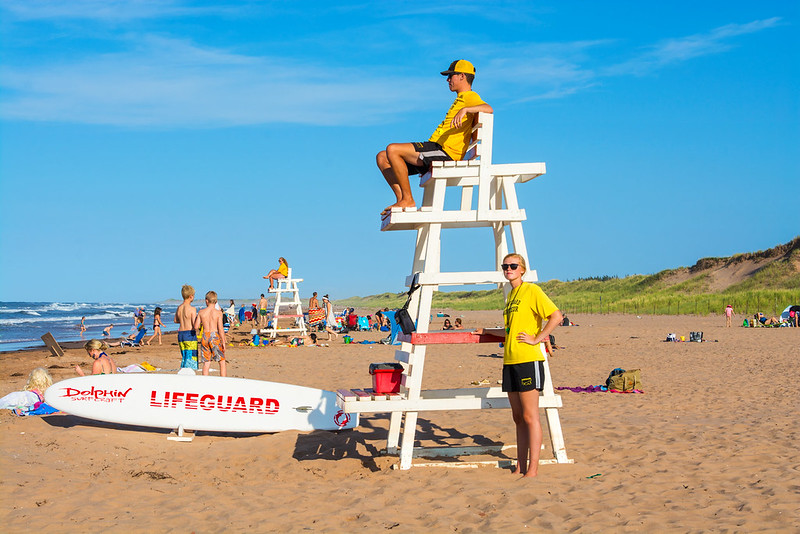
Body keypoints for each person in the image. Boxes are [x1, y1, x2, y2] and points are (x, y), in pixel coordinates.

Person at [475, 253, 562, 478]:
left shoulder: (531, 290)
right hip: (510, 360)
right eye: (505, 266)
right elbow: (509, 331)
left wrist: (538, 337)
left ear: (522, 268)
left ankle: (532, 469)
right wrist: (486, 332)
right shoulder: (511, 295)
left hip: (528, 359)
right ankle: (520, 466)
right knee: (518, 417)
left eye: (513, 266)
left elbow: (556, 316)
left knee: (531, 416)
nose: (508, 269)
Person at [376, 59, 493, 215]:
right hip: (435, 150)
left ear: (462, 76)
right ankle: (402, 199)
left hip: (446, 153)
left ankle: (408, 200)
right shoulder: (459, 99)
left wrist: (466, 110)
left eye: (451, 75)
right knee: (382, 157)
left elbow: (489, 109)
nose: (448, 80)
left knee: (393, 149)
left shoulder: (469, 96)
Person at [193, 290, 227, 377]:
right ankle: (223, 381)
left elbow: (196, 326)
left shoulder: (201, 312)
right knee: (222, 361)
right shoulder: (218, 313)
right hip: (214, 335)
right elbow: (220, 328)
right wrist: (223, 341)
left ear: (206, 301)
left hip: (205, 336)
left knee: (206, 362)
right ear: (215, 301)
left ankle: (205, 382)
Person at [175, 284, 198, 370]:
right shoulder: (192, 309)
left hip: (181, 333)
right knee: (191, 357)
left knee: (184, 355)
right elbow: (194, 324)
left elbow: (176, 320)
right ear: (191, 296)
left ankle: (183, 370)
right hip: (189, 333)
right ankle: (189, 373)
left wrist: (183, 320)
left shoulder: (179, 307)